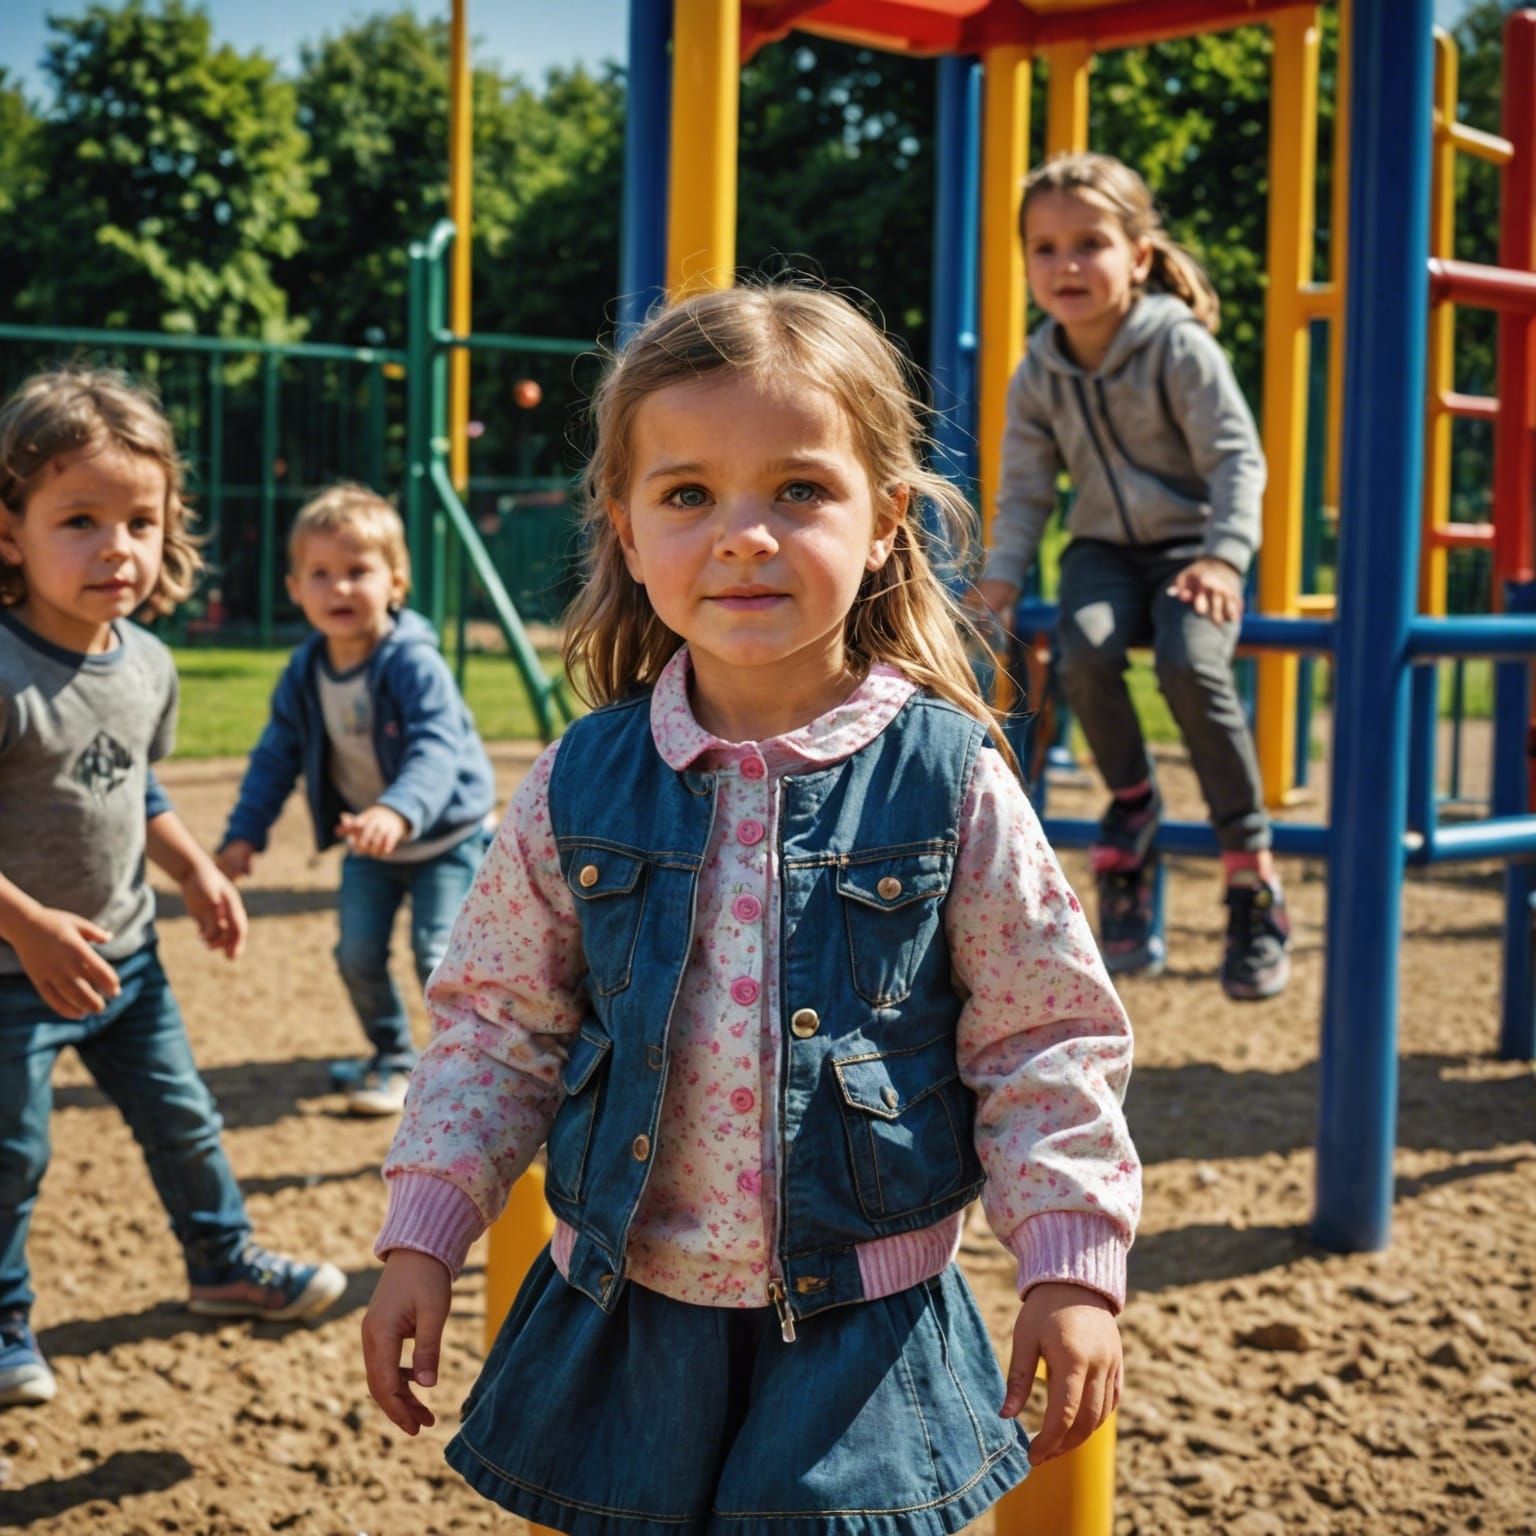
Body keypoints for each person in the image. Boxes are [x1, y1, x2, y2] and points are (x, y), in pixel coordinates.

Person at [360, 284, 1141, 1536]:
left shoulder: (948, 782)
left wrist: (1069, 1262)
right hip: (626, 1309)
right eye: (688, 496)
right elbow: (493, 1027)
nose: (744, 536)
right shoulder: (581, 781)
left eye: (797, 491)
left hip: (860, 1329)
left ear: (886, 521)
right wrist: (423, 1238)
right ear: (621, 526)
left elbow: (1044, 1035)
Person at [0, 367, 346, 1410]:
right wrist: (28, 930)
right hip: (14, 976)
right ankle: (5, 1320)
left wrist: (193, 869)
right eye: (79, 519)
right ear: (9, 531)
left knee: (186, 1120)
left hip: (128, 962)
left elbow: (128, 785)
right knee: (12, 1153)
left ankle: (223, 1264)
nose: (116, 546)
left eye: (139, 520)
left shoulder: (147, 662)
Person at [975, 151, 1289, 1001]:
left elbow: (1236, 457)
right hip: (1105, 552)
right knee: (1082, 648)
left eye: (1090, 244)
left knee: (1192, 661)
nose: (1066, 266)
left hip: (1194, 548)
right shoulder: (1040, 369)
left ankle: (1249, 874)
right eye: (1044, 248)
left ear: (1138, 257)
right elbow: (1028, 489)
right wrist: (1000, 579)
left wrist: (1226, 554)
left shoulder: (1177, 348)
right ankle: (1133, 804)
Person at [216, 485, 495, 1116]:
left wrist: (397, 810)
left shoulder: (411, 664)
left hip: (443, 838)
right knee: (357, 953)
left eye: (358, 572)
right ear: (294, 588)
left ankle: (467, 1070)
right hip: (369, 841)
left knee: (437, 954)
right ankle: (393, 1058)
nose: (339, 588)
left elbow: (435, 748)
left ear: (396, 582)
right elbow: (274, 759)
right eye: (321, 574)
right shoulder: (305, 671)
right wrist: (242, 837)